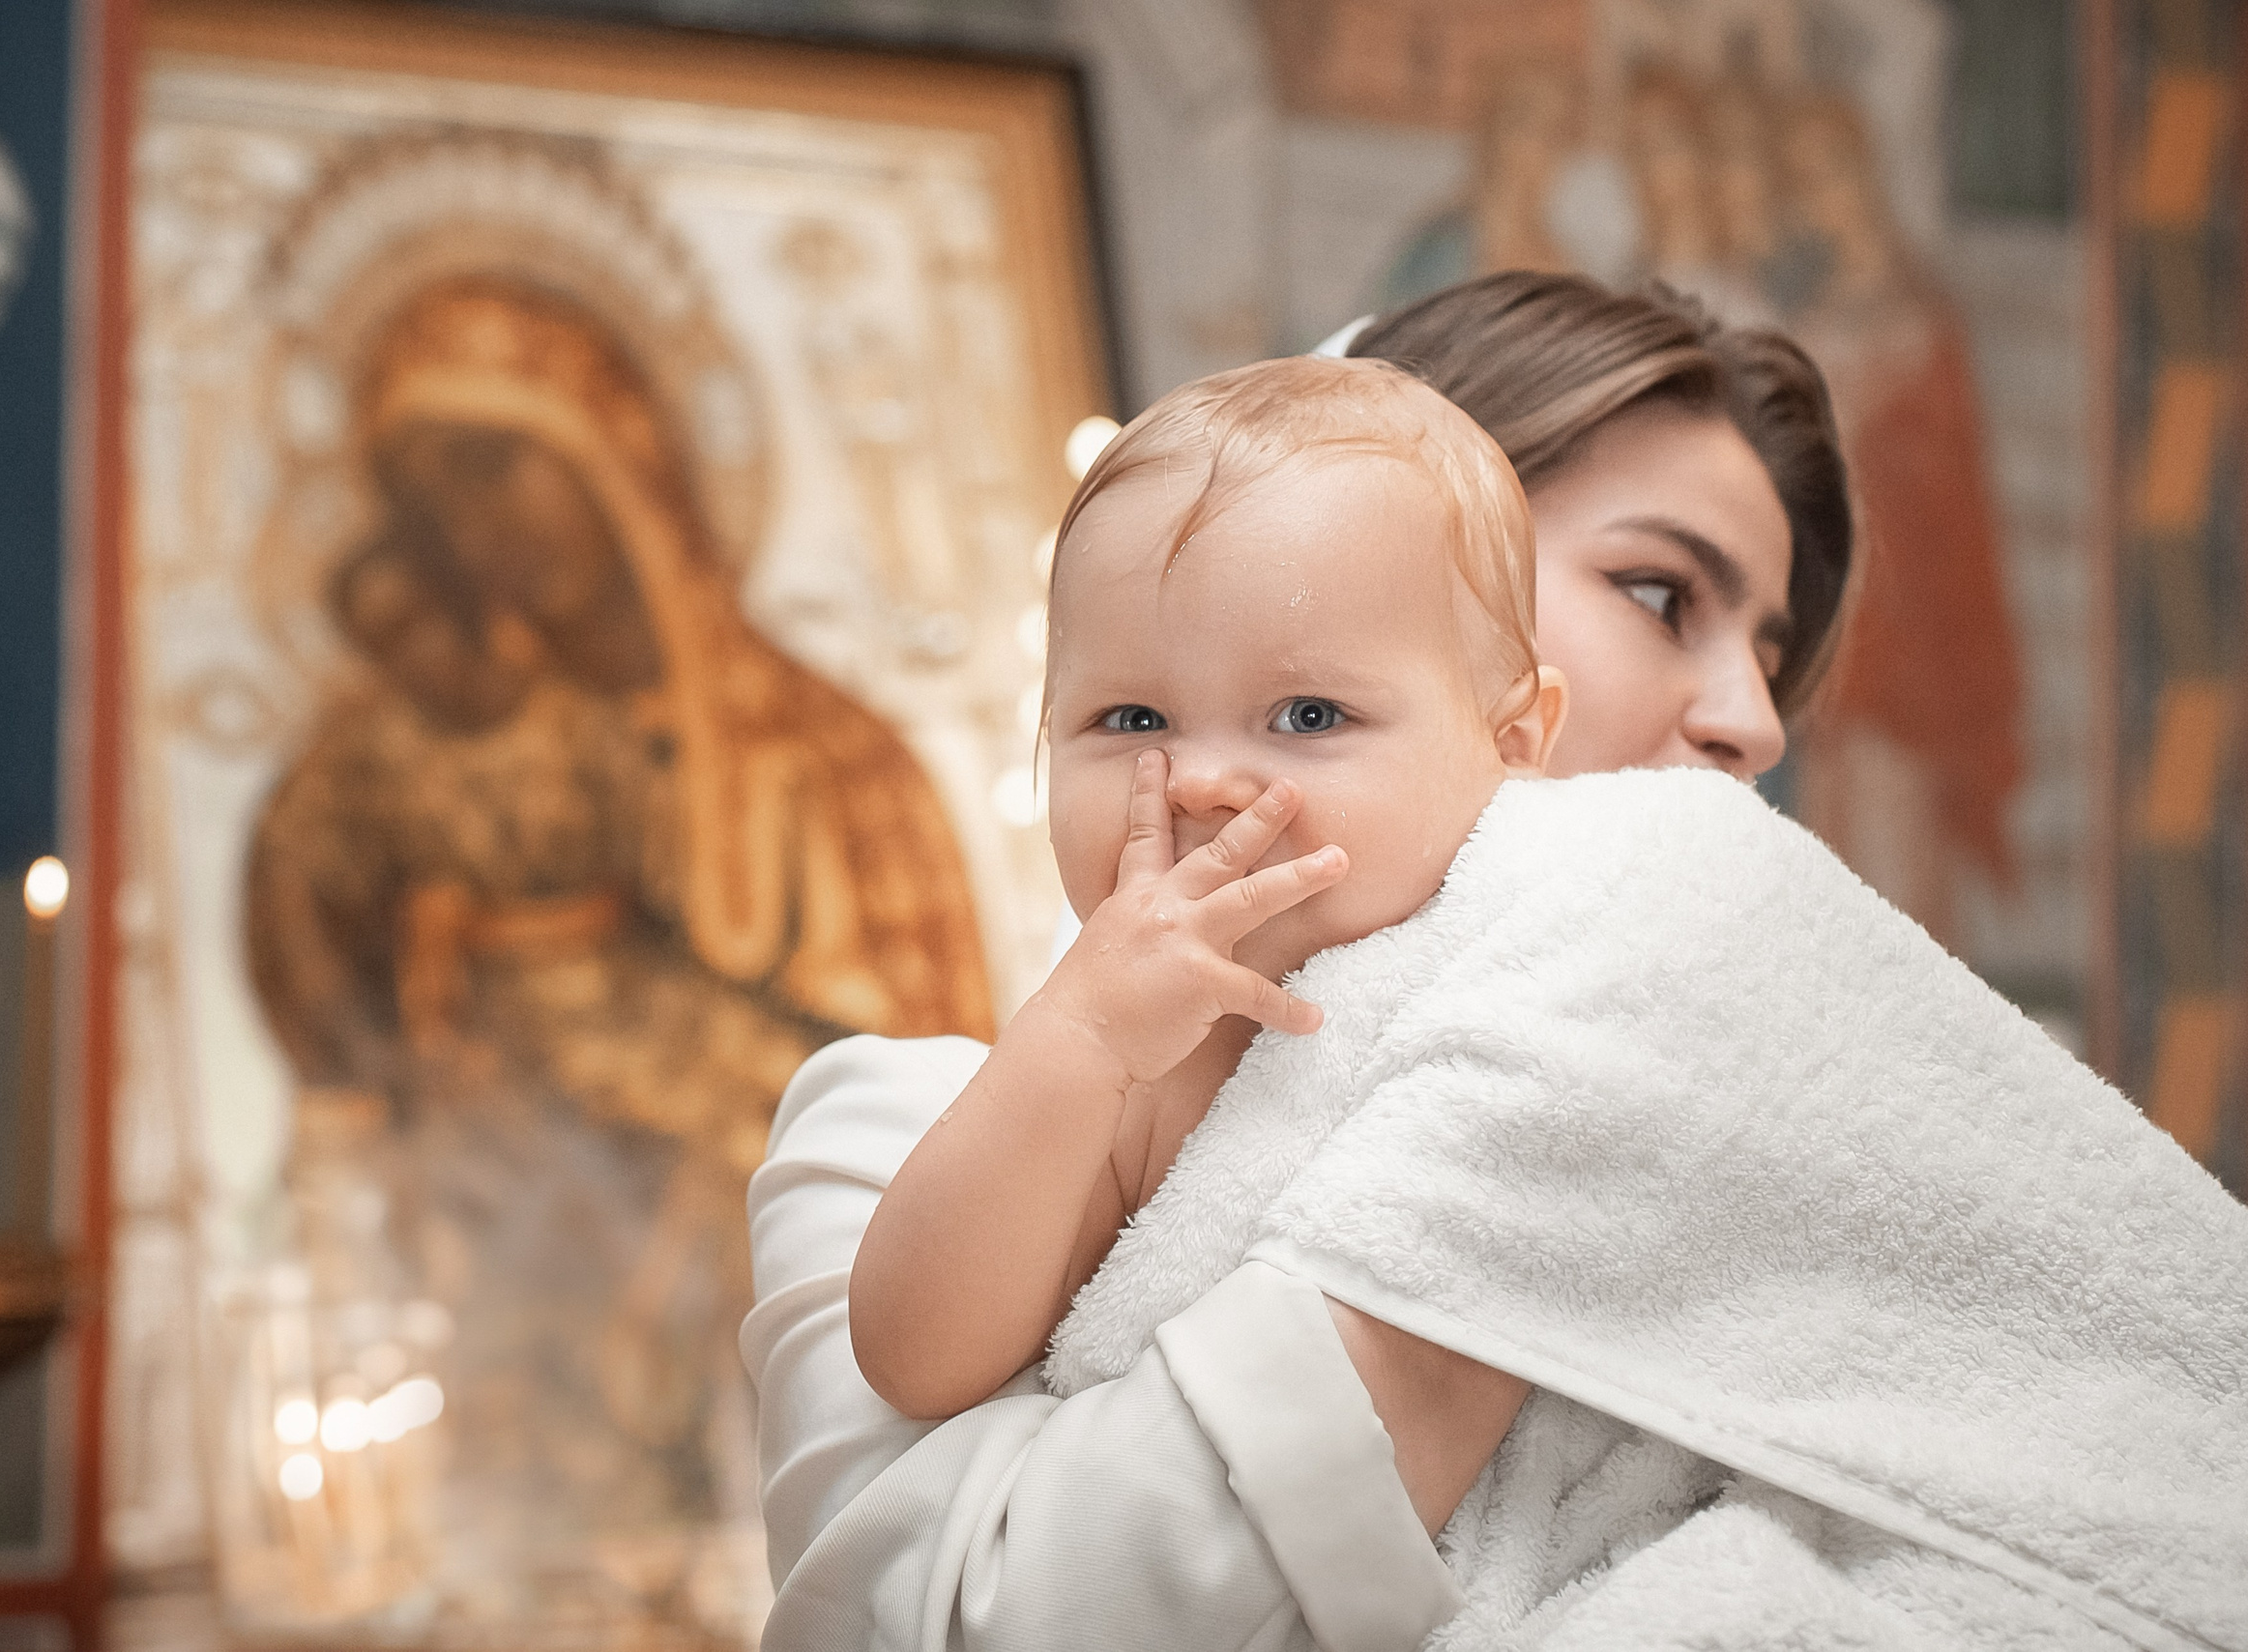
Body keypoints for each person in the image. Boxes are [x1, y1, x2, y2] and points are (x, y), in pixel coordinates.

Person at [742, 273, 1852, 1649]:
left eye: (1307, 711)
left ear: (1511, 722)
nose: (1753, 720)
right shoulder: (964, 1110)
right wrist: (1084, 1045)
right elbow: (944, 1567)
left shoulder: (1789, 1067)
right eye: (1657, 589)